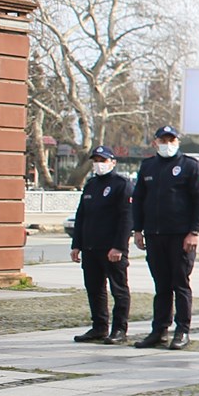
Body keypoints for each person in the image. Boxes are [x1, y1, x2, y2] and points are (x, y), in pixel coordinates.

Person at [130, 124, 199, 350]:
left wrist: (194, 231)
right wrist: (138, 229)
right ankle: (159, 330)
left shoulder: (190, 166)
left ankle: (182, 330)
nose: (167, 144)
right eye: (163, 140)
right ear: (155, 143)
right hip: (155, 234)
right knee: (161, 285)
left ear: (178, 142)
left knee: (180, 284)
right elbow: (139, 200)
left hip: (181, 236)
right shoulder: (148, 166)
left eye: (171, 140)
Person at [70, 145, 132, 345]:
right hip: (90, 247)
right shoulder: (91, 185)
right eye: (96, 161)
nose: (99, 165)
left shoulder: (121, 184)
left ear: (112, 162)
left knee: (118, 289)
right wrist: (76, 244)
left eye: (103, 161)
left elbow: (126, 218)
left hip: (111, 248)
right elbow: (81, 216)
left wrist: (119, 247)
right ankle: (99, 327)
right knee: (94, 289)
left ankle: (120, 329)